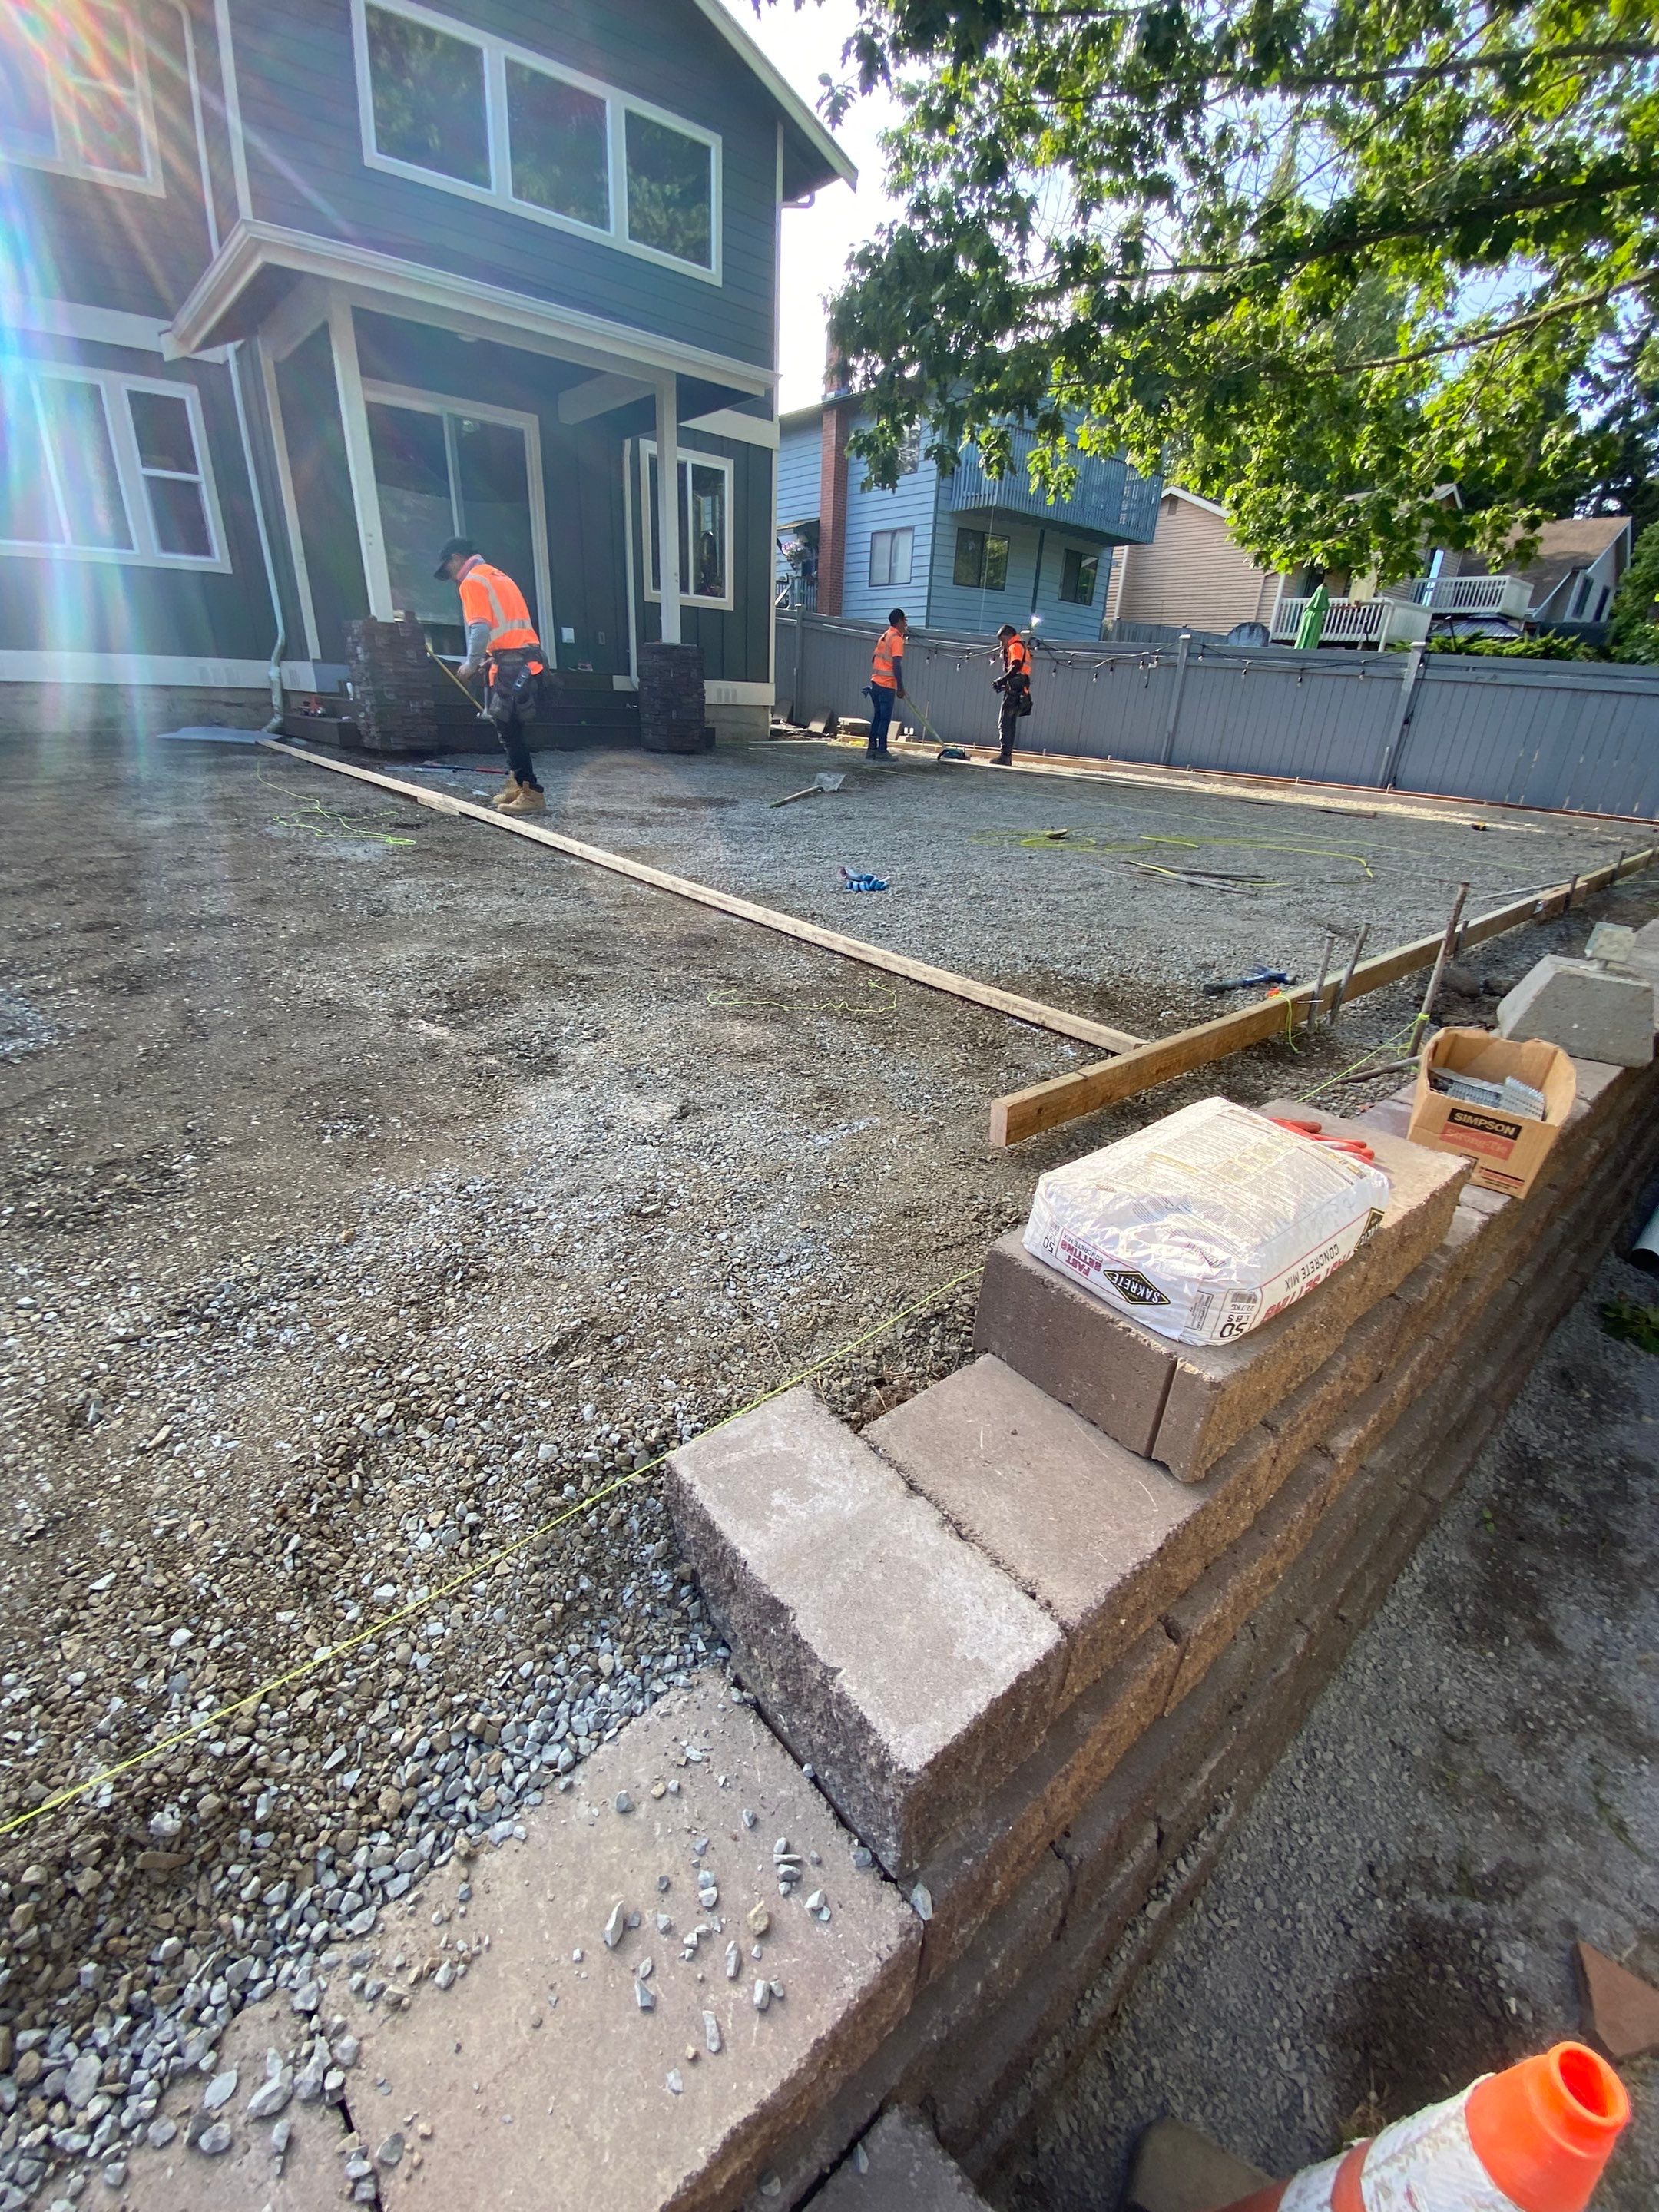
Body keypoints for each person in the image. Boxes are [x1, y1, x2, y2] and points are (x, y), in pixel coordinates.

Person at [434, 535, 551, 814]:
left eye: (448, 569)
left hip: (511, 667)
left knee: (509, 731)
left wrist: (471, 663)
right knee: (510, 729)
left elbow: (480, 628)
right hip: (524, 661)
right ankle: (516, 786)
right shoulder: (499, 577)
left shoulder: (473, 581)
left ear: (456, 559)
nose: (451, 578)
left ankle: (531, 793)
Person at [866, 608, 908, 758]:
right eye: (905, 620)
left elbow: (874, 659)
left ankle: (871, 749)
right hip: (886, 685)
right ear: (899, 621)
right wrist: (901, 688)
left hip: (875, 683)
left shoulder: (884, 636)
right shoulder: (896, 639)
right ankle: (882, 751)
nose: (906, 624)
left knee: (877, 717)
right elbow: (897, 664)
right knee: (885, 719)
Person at [992, 622, 1032, 763]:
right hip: (1020, 688)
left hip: (1015, 688)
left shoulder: (1015, 646)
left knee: (1005, 722)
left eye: (1002, 640)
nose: (1002, 644)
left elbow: (1015, 667)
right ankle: (1007, 755)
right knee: (1011, 723)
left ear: (1009, 636)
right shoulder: (1021, 646)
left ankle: (1005, 756)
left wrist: (1001, 681)